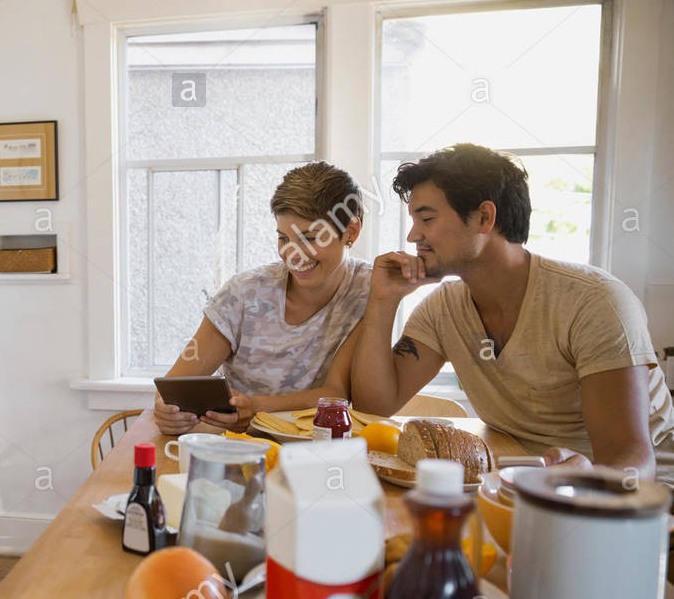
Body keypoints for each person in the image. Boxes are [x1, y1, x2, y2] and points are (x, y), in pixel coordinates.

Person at [350, 143, 674, 485]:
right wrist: (383, 301)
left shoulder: (594, 303)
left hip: (640, 500)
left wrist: (581, 480)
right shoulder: (442, 308)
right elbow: (375, 406)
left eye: (426, 218)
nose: (413, 235)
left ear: (485, 218)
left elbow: (630, 460)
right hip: (524, 484)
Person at [154, 161, 373, 436]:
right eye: (284, 238)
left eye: (310, 238)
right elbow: (174, 386)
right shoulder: (243, 294)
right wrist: (167, 411)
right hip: (240, 451)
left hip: (323, 455)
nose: (294, 254)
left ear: (350, 232)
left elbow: (336, 395)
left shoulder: (369, 290)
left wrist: (255, 406)